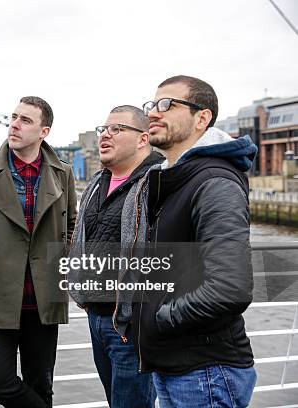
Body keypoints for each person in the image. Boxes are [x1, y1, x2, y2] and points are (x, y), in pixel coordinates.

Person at [119, 75, 258, 407]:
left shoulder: (214, 182)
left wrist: (159, 319)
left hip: (204, 371)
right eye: (152, 104)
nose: (154, 112)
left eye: (168, 104)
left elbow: (230, 288)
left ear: (202, 118)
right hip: (172, 364)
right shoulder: (172, 179)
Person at [0, 96, 77, 408]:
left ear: (43, 132)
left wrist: (62, 263)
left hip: (43, 298)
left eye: (26, 120)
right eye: (14, 117)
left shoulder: (62, 172)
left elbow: (72, 224)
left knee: (41, 385)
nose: (15, 125)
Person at [68, 105, 162, 407]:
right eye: (103, 129)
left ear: (143, 139)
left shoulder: (158, 182)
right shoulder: (97, 182)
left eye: (117, 129)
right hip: (96, 318)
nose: (105, 135)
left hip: (132, 328)